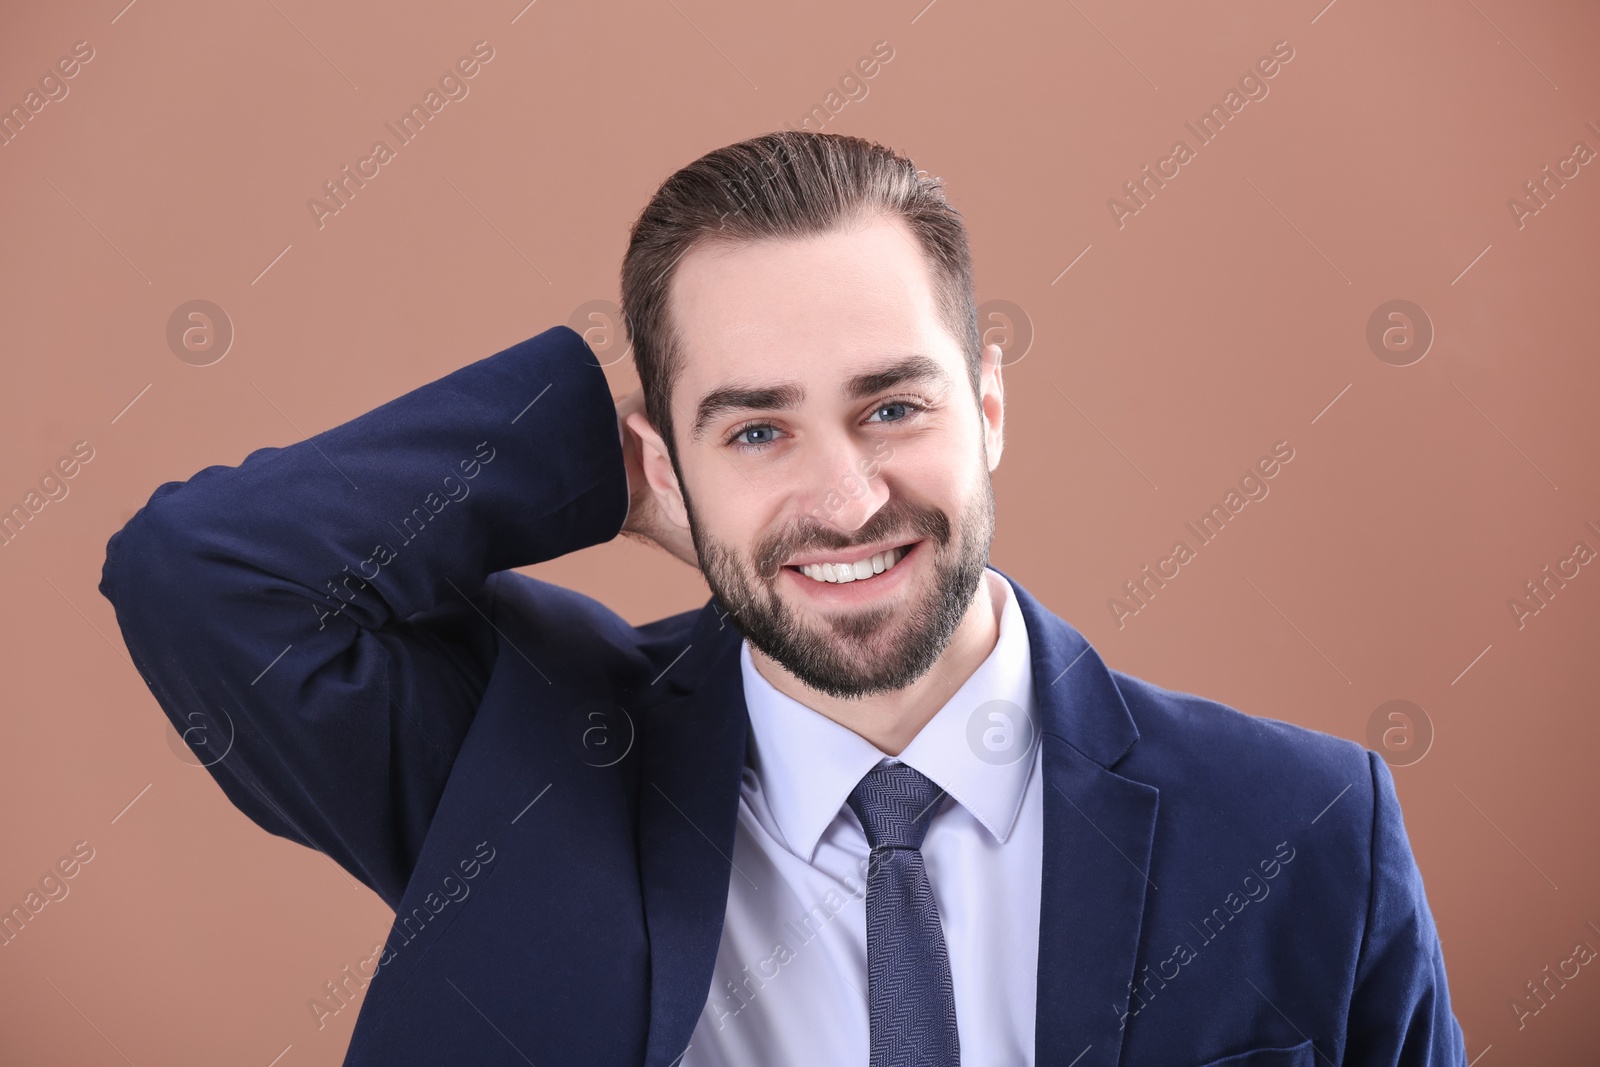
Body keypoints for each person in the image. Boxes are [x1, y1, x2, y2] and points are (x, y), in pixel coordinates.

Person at [98, 131, 1467, 1066]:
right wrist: (581, 437)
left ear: (988, 404)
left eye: (892, 405)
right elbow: (202, 574)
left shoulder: (1307, 828)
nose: (848, 497)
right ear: (663, 464)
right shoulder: (521, 770)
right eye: (756, 431)